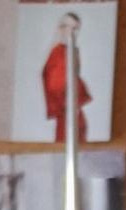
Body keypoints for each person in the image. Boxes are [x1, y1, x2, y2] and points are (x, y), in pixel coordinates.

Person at [40, 12, 93, 144]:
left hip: (72, 114)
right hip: (68, 114)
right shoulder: (59, 53)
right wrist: (71, 103)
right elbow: (55, 85)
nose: (72, 32)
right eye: (69, 27)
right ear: (61, 28)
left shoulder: (69, 51)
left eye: (76, 28)